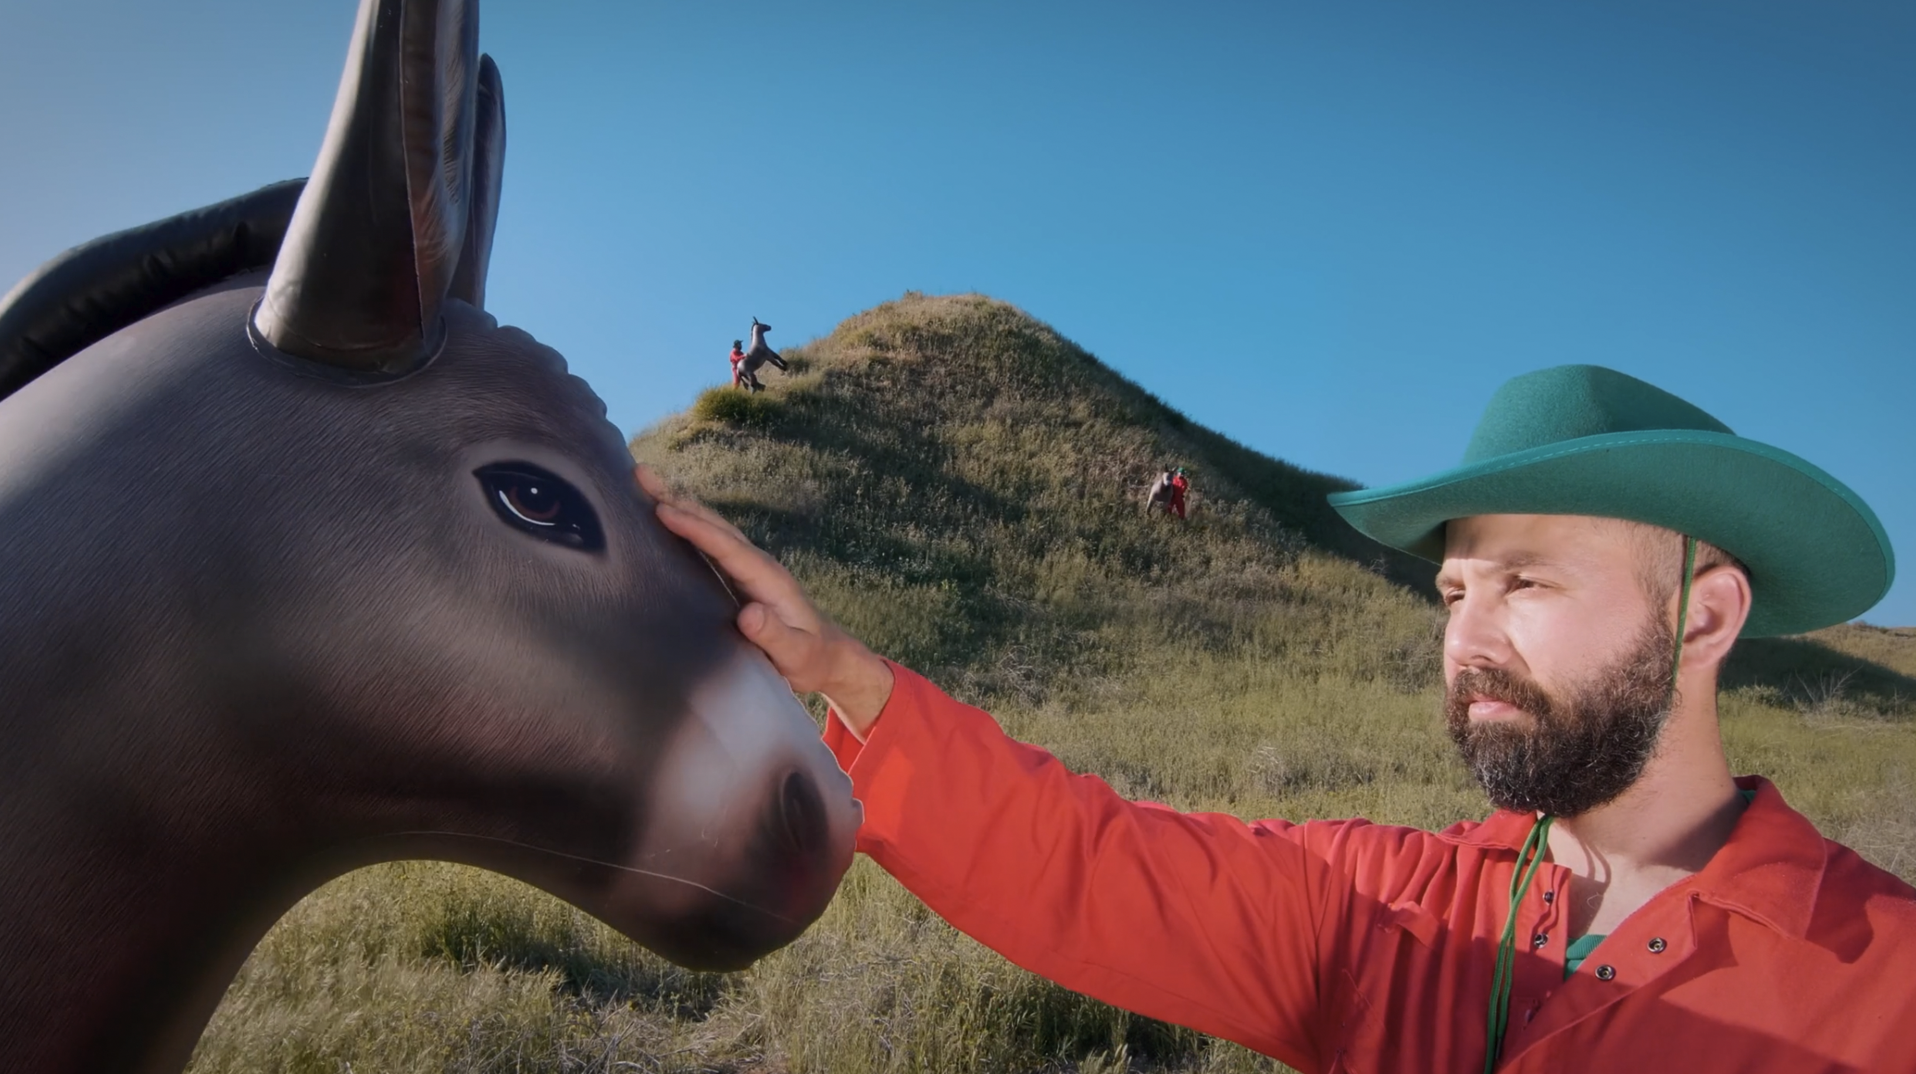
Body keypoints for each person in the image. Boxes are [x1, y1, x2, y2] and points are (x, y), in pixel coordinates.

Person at [639, 364, 1912, 1073]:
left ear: (1701, 618)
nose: (1465, 638)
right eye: (1454, 589)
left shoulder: (1889, 986)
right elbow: (1088, 863)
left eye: (1526, 582)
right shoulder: (1382, 909)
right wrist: (851, 688)